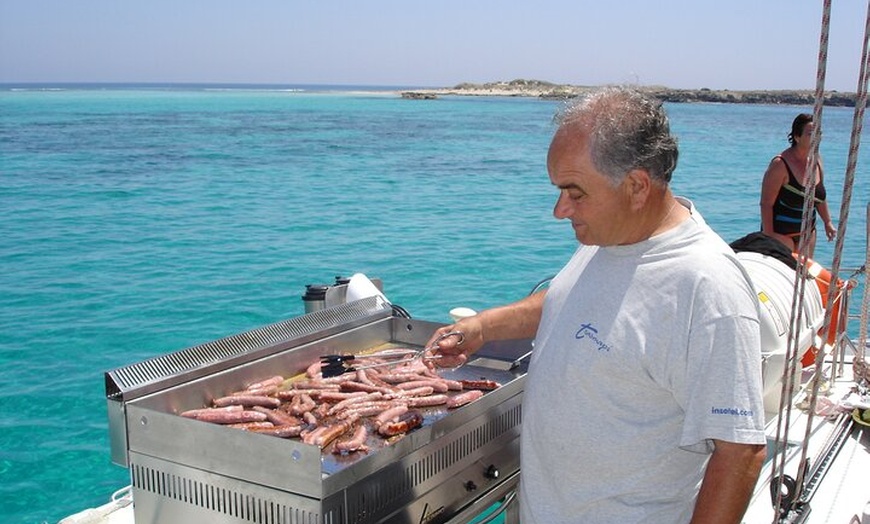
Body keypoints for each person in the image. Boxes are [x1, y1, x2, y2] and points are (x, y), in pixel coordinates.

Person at [428, 86, 767, 523]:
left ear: (637, 186)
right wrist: (484, 326)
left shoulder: (708, 288)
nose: (559, 210)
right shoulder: (612, 236)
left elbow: (740, 452)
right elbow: (574, 300)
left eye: (574, 192)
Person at [760, 113, 836, 258]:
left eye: (819, 133)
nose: (816, 137)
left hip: (808, 234)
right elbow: (766, 203)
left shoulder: (817, 160)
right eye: (810, 133)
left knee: (803, 277)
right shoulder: (780, 164)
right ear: (797, 137)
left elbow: (819, 197)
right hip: (781, 235)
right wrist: (769, 235)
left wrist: (827, 222)